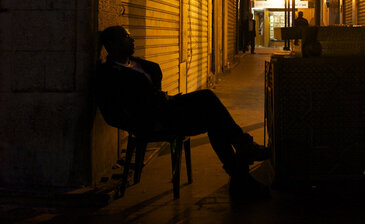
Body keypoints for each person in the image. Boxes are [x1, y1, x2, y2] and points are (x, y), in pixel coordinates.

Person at [95, 25, 269, 201]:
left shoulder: (136, 63)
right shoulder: (109, 74)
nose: (132, 40)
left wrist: (164, 100)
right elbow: (113, 113)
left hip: (167, 109)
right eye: (126, 37)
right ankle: (244, 155)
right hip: (155, 121)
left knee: (213, 115)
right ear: (112, 45)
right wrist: (142, 123)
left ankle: (241, 175)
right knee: (211, 108)